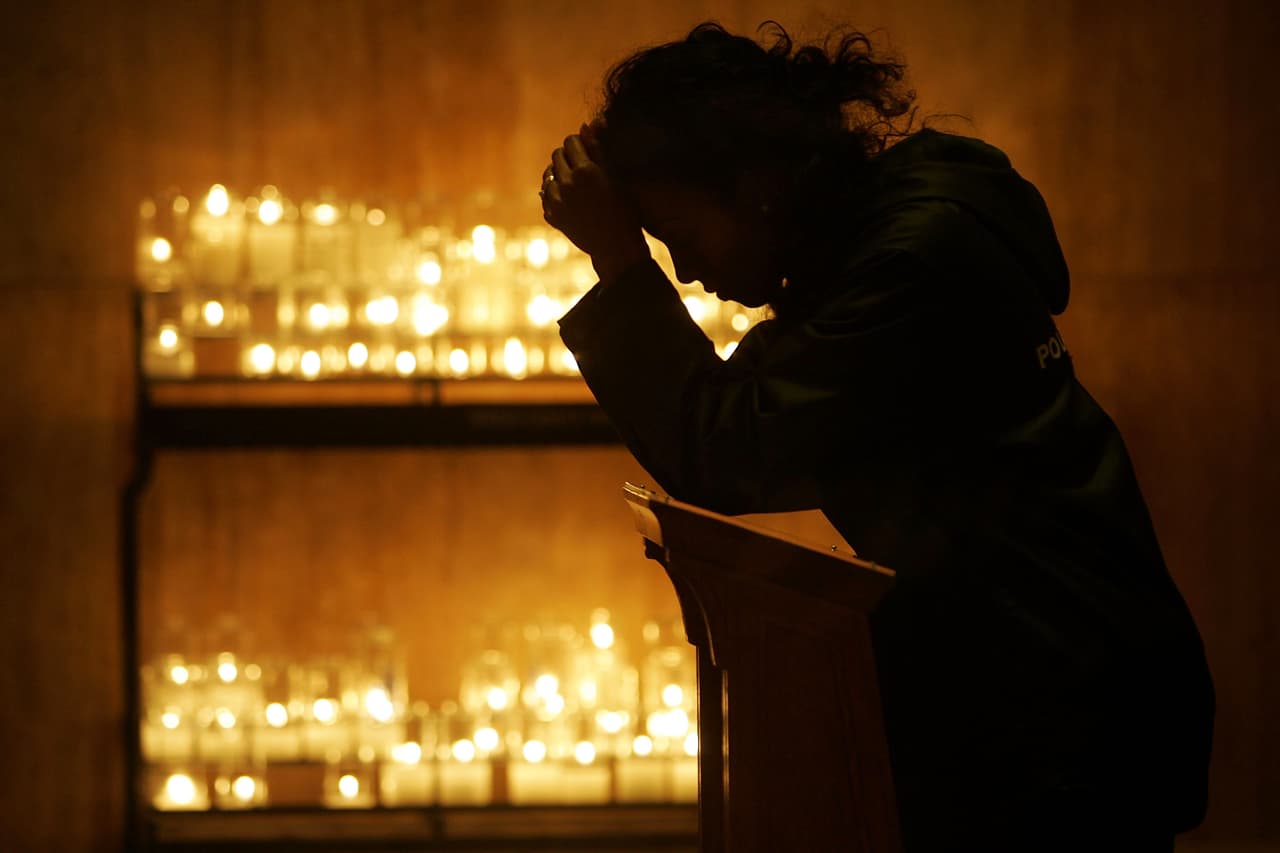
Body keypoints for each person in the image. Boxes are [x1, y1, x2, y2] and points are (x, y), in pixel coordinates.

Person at [539, 20, 1214, 852]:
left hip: (1054, 719)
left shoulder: (910, 261)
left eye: (679, 235)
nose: (682, 269)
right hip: (1045, 700)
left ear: (754, 185)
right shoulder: (875, 234)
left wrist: (616, 257)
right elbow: (750, 405)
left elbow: (728, 448)